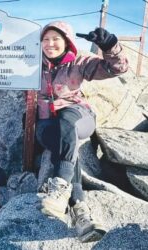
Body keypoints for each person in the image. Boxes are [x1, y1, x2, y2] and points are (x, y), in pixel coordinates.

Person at [36, 21, 128, 242]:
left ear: (66, 41)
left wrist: (110, 45)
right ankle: (81, 213)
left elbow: (117, 68)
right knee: (65, 141)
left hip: (79, 117)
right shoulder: (31, 64)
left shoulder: (78, 62)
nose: (50, 44)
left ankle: (61, 183)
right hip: (49, 123)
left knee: (67, 122)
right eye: (45, 39)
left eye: (56, 39)